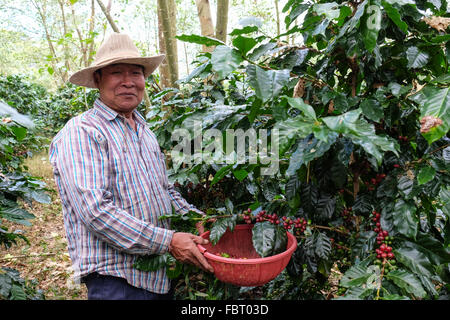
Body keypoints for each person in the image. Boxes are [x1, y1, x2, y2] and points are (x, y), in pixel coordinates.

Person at [49, 33, 213, 300]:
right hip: (116, 280)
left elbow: (165, 190)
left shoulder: (144, 131)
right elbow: (96, 212)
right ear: (98, 79)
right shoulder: (82, 131)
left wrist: (199, 220)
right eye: (117, 73)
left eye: (136, 73)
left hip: (158, 274)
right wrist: (169, 241)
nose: (128, 82)